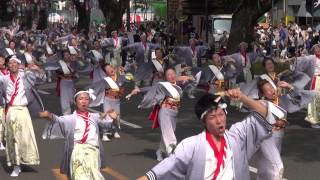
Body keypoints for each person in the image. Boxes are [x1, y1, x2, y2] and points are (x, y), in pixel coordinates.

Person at [137, 88, 286, 180]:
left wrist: (244, 98)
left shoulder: (238, 136)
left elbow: (269, 116)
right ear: (204, 121)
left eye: (221, 114)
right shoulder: (191, 145)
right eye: (212, 117)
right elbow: (165, 169)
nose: (219, 121)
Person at [129, 68, 204, 161]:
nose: (172, 76)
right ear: (166, 77)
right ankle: (171, 155)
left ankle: (159, 151)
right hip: (164, 111)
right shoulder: (162, 85)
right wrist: (139, 90)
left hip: (174, 112)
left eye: (173, 73)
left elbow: (191, 81)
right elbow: (151, 88)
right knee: (169, 134)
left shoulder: (180, 84)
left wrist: (190, 78)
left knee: (167, 133)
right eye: (169, 74)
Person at [40, 90, 117, 180]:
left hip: (93, 152)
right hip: (77, 151)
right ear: (75, 102)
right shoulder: (70, 119)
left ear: (89, 102)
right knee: (79, 177)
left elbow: (108, 126)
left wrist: (114, 118)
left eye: (86, 99)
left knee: (95, 177)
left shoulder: (96, 117)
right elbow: (58, 120)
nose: (84, 101)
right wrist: (49, 115)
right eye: (80, 99)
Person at [1, 56, 46, 177]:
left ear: (19, 65)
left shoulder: (26, 76)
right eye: (10, 63)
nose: (13, 65)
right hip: (11, 110)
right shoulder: (4, 79)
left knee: (26, 138)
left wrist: (38, 69)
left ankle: (26, 159)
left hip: (23, 111)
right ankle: (16, 165)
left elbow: (42, 79)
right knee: (13, 138)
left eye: (15, 63)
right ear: (7, 66)